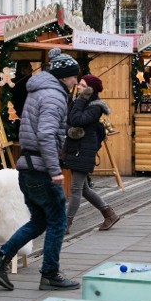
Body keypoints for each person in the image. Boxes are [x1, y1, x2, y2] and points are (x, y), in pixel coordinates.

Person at [0, 49, 81, 292]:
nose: (76, 82)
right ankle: (50, 272)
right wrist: (55, 170)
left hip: (27, 167)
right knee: (57, 220)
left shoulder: (39, 92)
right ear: (64, 76)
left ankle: (0, 257)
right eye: (73, 77)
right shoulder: (54, 96)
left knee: (39, 220)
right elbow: (46, 134)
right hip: (40, 169)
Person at [62, 74, 119, 233]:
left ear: (89, 89)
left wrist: (79, 101)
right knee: (84, 189)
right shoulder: (80, 102)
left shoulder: (95, 106)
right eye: (79, 84)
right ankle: (109, 214)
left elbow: (76, 120)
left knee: (75, 190)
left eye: (82, 85)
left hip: (84, 150)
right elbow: (68, 121)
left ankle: (65, 225)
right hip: (77, 149)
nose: (78, 87)